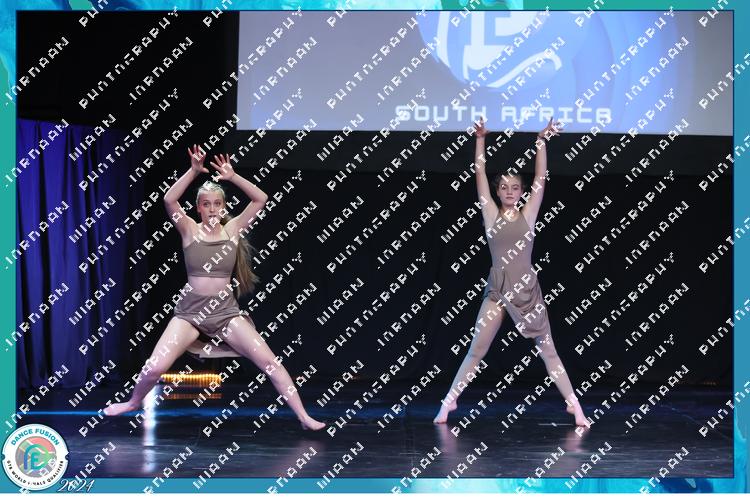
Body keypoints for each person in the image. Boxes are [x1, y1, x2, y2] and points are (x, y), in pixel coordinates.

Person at [104, 146, 325, 431]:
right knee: (155, 367)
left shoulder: (233, 230)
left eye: (216, 204)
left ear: (223, 207)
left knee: (270, 362)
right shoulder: (189, 230)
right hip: (189, 313)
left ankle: (304, 417)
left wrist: (232, 177)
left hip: (225, 312)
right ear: (198, 208)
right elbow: (169, 199)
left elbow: (261, 199)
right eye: (206, 204)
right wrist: (193, 171)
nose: (211, 209)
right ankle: (133, 402)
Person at [433, 118, 590, 428]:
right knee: (476, 351)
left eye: (515, 187)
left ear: (521, 192)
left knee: (549, 352)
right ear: (497, 190)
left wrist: (540, 141)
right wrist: (480, 139)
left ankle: (575, 407)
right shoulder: (490, 213)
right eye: (503, 187)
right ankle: (448, 403)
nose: (509, 191)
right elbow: (479, 172)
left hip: (527, 292)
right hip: (498, 289)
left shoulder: (528, 214)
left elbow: (541, 177)